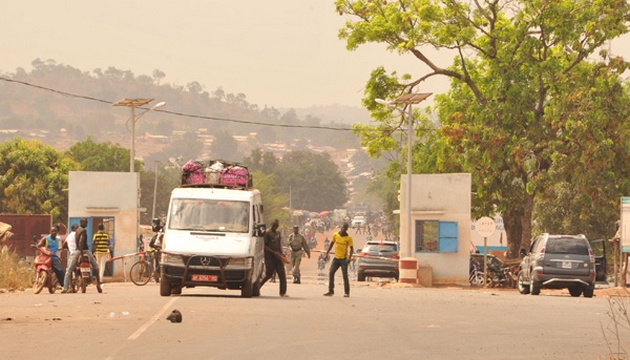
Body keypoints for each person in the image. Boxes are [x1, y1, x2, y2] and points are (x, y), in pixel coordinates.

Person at [63, 218, 102, 293]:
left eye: (87, 222)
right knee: (96, 266)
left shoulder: (77, 230)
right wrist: (82, 254)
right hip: (84, 251)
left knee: (69, 269)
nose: (87, 223)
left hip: (77, 251)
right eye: (85, 222)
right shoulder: (83, 231)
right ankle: (98, 285)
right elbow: (81, 242)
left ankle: (71, 287)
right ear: (82, 222)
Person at [323, 222, 354, 297]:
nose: (343, 229)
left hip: (344, 259)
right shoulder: (335, 235)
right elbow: (331, 244)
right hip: (336, 258)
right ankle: (331, 290)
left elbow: (351, 249)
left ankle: (347, 292)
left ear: (347, 229)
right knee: (331, 273)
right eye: (343, 227)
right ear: (341, 227)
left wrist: (349, 258)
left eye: (345, 228)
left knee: (345, 276)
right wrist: (326, 253)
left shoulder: (348, 238)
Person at [260, 219, 288, 297]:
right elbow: (264, 246)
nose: (275, 227)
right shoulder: (267, 233)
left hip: (278, 257)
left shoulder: (278, 233)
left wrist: (281, 253)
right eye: (274, 225)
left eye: (276, 226)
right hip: (270, 257)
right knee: (268, 275)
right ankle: (257, 287)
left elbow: (279, 244)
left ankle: (282, 292)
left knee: (282, 274)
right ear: (271, 225)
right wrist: (273, 252)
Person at [149, 217, 164, 282]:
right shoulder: (161, 231)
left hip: (157, 250)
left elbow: (151, 244)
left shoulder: (159, 232)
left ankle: (157, 277)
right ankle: (156, 275)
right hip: (158, 250)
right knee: (160, 263)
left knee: (158, 263)